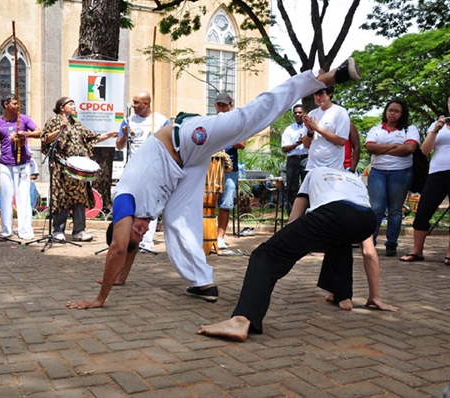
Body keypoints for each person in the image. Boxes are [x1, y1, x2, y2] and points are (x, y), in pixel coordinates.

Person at [65, 58, 362, 310]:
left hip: (186, 137)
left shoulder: (124, 200)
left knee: (248, 118)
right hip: (187, 167)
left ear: (120, 222)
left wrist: (99, 298)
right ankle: (202, 282)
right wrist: (119, 278)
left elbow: (118, 248)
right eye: (138, 238)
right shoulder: (133, 224)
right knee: (176, 220)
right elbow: (125, 248)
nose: (142, 232)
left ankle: (325, 77)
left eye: (135, 231)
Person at [197, 167, 394, 342]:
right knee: (340, 238)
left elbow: (293, 221)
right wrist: (374, 296)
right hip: (366, 219)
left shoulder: (313, 174)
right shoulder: (354, 179)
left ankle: (241, 320)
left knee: (265, 255)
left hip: (334, 214)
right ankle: (343, 297)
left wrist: (276, 246)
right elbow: (369, 252)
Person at [40, 97, 117, 242]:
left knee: (79, 198)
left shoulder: (76, 124)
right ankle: (58, 231)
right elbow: (45, 139)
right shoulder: (53, 121)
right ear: (62, 107)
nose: (74, 106)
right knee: (62, 197)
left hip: (77, 169)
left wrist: (108, 135)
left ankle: (79, 231)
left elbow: (90, 138)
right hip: (61, 167)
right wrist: (60, 129)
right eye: (71, 104)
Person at [365, 99, 419, 257]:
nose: (393, 113)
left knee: (395, 210)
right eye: (390, 110)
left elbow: (409, 148)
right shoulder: (376, 129)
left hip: (400, 173)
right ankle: (370, 243)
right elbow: (369, 147)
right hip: (378, 173)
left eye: (397, 111)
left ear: (402, 114)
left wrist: (381, 149)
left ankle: (391, 244)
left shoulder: (409, 129)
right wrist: (395, 146)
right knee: (376, 209)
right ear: (385, 111)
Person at [116, 91, 169, 250]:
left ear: (146, 104)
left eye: (137, 102)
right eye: (133, 101)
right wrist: (124, 136)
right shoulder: (128, 120)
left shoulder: (160, 121)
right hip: (133, 167)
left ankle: (146, 241)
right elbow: (119, 145)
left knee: (149, 204)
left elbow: (168, 145)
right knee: (132, 201)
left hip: (153, 168)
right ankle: (131, 237)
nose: (133, 105)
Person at [400, 98, 450, 265]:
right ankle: (417, 251)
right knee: (423, 212)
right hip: (437, 172)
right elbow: (425, 150)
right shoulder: (438, 125)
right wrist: (435, 129)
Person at [0, 95, 40, 239]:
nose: (17, 106)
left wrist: (26, 134)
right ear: (6, 104)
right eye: (14, 103)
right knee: (5, 196)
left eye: (18, 104)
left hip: (22, 163)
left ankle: (25, 231)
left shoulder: (24, 119)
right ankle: (6, 230)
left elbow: (39, 132)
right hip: (5, 163)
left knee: (23, 197)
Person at [213, 93, 247, 250]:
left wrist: (226, 136)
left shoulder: (237, 123)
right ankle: (206, 235)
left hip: (229, 169)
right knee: (207, 203)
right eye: (218, 105)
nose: (221, 108)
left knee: (225, 203)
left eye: (224, 105)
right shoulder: (211, 122)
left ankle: (220, 237)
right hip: (211, 168)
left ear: (230, 105)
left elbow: (242, 144)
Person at [302, 86, 350, 171]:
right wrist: (310, 132)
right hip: (312, 167)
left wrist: (317, 129)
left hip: (333, 167)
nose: (318, 97)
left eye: (321, 94)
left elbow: (342, 141)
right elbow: (306, 145)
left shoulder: (340, 112)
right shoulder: (312, 114)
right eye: (315, 94)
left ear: (330, 93)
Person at [281, 104, 308, 214]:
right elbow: (285, 148)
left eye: (300, 112)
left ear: (304, 113)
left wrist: (305, 141)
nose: (297, 114)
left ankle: (306, 214)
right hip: (292, 160)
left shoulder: (309, 127)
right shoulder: (289, 129)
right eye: (295, 112)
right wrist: (297, 144)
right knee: (291, 188)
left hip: (306, 159)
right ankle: (291, 215)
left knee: (307, 187)